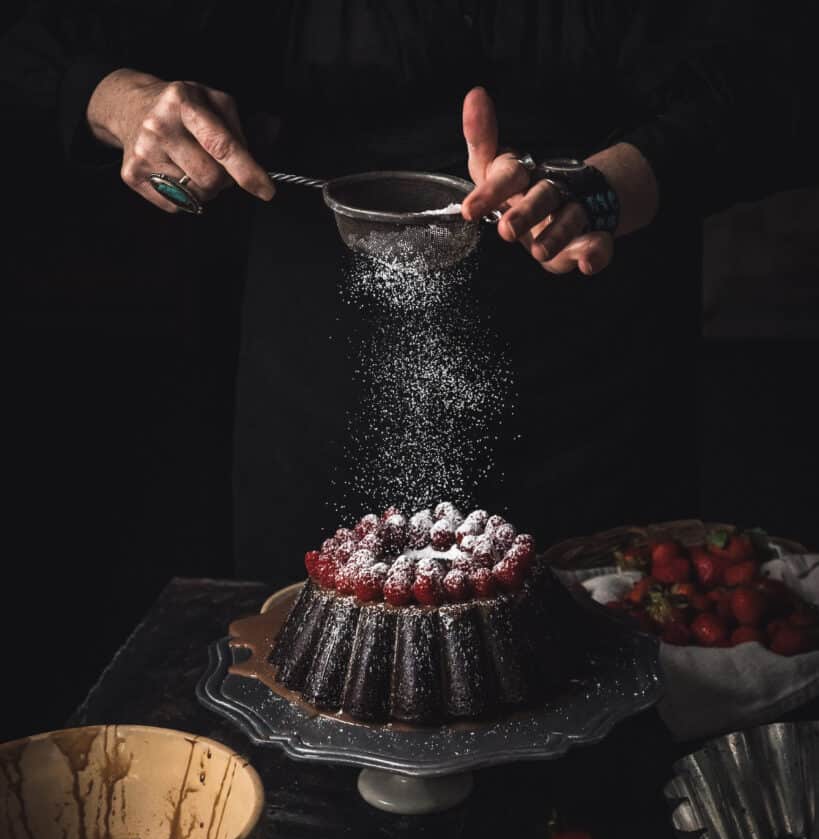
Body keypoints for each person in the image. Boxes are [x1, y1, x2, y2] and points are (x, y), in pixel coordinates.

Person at [1, 1, 810, 588]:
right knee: (329, 691)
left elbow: (778, 67)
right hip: (321, 363)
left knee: (600, 703)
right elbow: (40, 33)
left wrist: (593, 191)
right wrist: (123, 101)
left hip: (594, 352)